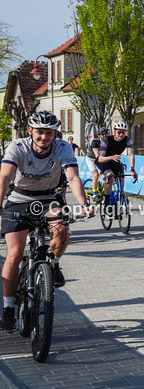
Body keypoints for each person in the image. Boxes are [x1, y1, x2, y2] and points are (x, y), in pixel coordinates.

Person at [0, 112, 94, 328]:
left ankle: (55, 265)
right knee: (14, 253)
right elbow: (5, 176)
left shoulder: (63, 147)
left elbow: (72, 177)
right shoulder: (18, 147)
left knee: (61, 229)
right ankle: (7, 308)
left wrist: (84, 203)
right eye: (40, 132)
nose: (44, 136)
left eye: (48, 132)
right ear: (31, 131)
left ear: (55, 133)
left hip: (48, 199)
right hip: (19, 200)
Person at [96, 121, 137, 206]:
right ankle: (106, 202)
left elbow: (131, 154)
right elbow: (100, 158)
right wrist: (112, 157)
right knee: (110, 176)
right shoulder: (106, 140)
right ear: (114, 132)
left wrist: (132, 169)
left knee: (121, 177)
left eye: (123, 132)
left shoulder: (128, 140)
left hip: (115, 161)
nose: (121, 135)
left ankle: (120, 197)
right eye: (119, 132)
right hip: (104, 160)